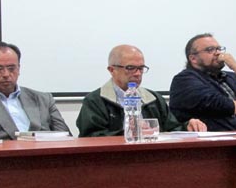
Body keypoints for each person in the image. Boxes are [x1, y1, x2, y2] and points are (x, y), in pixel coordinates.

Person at [77, 45, 206, 137]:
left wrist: (187, 126)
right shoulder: (96, 100)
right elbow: (90, 136)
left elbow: (171, 129)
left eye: (141, 68)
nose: (138, 73)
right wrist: (131, 133)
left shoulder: (154, 98)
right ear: (112, 70)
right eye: (130, 68)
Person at [169, 33, 236, 131]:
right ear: (193, 58)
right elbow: (217, 103)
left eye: (218, 49)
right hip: (210, 143)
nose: (218, 53)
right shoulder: (184, 80)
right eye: (210, 50)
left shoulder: (231, 77)